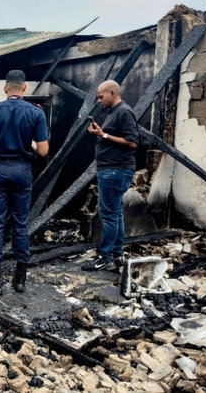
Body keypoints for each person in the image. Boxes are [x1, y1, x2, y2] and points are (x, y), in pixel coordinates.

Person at [0, 70, 49, 294]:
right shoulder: (36, 112)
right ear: (24, 88)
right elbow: (43, 151)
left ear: (6, 88)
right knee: (20, 222)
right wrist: (30, 146)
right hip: (22, 171)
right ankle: (20, 280)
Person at [82, 80, 139, 271]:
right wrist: (100, 133)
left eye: (101, 96)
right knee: (115, 214)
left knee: (108, 214)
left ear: (113, 93)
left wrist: (103, 135)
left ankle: (105, 256)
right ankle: (117, 254)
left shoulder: (124, 112)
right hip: (112, 169)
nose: (99, 101)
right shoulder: (115, 113)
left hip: (116, 170)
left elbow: (132, 142)